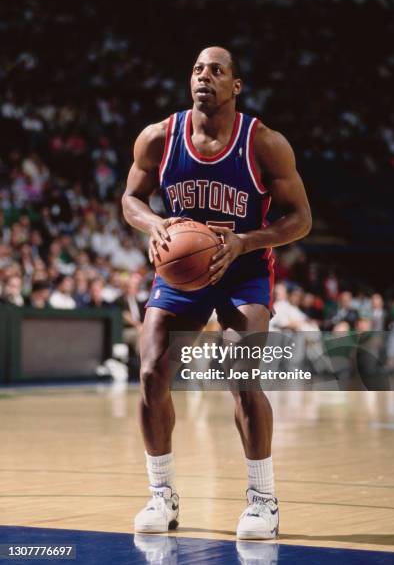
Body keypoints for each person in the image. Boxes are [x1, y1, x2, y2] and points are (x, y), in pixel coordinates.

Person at [122, 46, 311, 539]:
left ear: (235, 86)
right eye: (197, 69)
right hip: (181, 269)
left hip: (243, 269)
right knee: (149, 371)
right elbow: (130, 198)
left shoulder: (264, 143)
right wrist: (156, 225)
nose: (205, 76)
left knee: (240, 372)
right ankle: (161, 494)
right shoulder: (159, 137)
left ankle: (262, 501)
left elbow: (300, 219)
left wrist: (245, 240)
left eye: (217, 70)